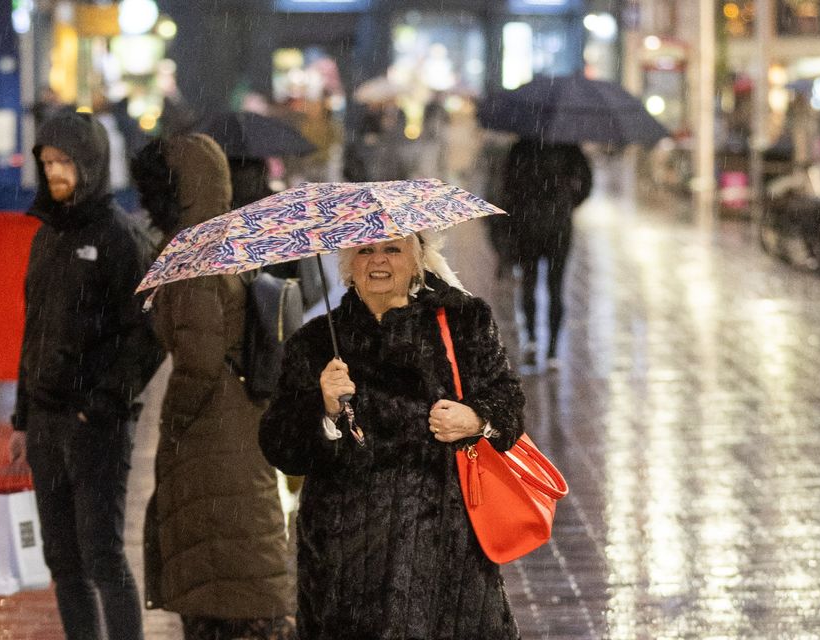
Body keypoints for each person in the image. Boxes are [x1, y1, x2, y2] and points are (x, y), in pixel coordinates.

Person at [259, 232, 526, 640]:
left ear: (417, 259)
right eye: (364, 250)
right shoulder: (315, 343)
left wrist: (475, 418)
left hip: (447, 557)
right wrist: (325, 409)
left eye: (392, 249)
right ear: (348, 264)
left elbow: (508, 401)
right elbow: (280, 446)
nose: (377, 261)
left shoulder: (463, 321)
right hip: (346, 564)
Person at [130, 133, 296, 640]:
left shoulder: (192, 258)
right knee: (242, 570)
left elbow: (198, 361)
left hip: (210, 433)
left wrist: (174, 422)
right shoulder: (229, 242)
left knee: (218, 585)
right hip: (241, 420)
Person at [9, 108, 164, 640]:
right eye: (47, 160)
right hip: (47, 424)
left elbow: (147, 335)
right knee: (63, 562)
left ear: (91, 163)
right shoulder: (46, 235)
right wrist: (21, 416)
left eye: (64, 161)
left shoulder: (122, 239)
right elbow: (34, 329)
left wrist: (100, 403)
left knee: (102, 558)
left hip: (96, 426)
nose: (54, 171)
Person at [503, 139, 593, 369]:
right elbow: (587, 184)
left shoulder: (522, 146)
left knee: (529, 283)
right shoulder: (570, 147)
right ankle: (552, 350)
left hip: (528, 226)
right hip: (558, 228)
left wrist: (522, 207)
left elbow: (507, 185)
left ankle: (532, 339)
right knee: (555, 286)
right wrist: (568, 203)